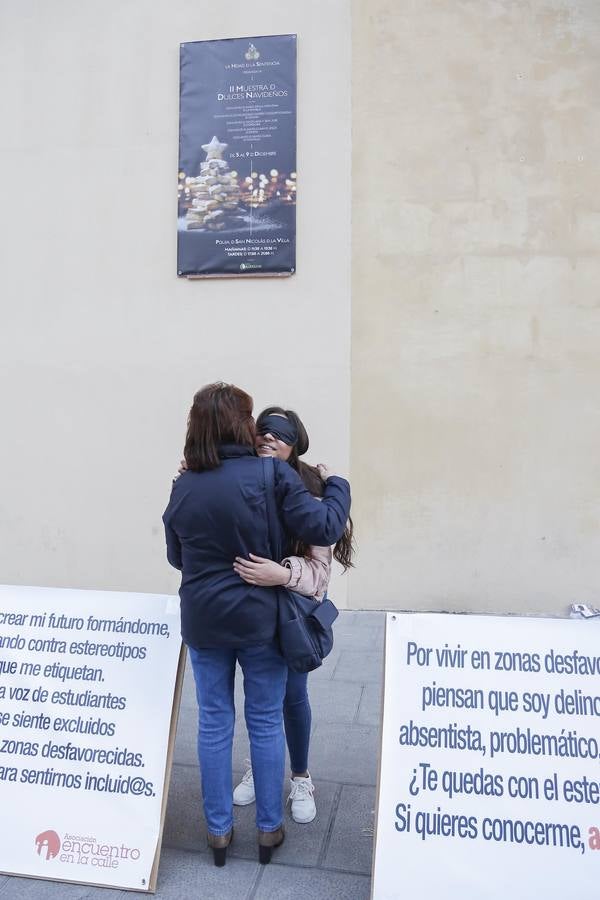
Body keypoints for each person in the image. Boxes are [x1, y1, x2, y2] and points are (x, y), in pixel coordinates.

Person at [162, 383, 351, 867]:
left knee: (213, 721)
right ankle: (269, 830)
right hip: (259, 620)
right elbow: (325, 528)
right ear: (240, 425)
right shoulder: (271, 476)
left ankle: (218, 832)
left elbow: (176, 556)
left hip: (204, 620)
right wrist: (338, 485)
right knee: (265, 720)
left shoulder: (184, 483)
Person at [232, 407, 355, 825]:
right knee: (260, 698)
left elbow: (319, 576)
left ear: (295, 444)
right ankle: (261, 766)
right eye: (262, 431)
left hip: (291, 614)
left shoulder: (312, 492)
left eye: (279, 434)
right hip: (250, 610)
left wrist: (280, 573)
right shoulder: (240, 477)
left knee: (292, 695)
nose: (268, 438)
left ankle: (300, 777)